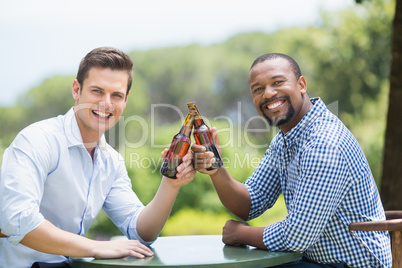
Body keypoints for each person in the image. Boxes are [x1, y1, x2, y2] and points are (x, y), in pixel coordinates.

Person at [0, 47, 195, 268]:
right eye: (97, 91)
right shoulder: (37, 140)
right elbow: (16, 220)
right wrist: (96, 246)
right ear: (76, 89)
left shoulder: (110, 161)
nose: (106, 103)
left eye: (116, 95)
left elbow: (141, 231)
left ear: (126, 100)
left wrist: (170, 184)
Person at [191, 53, 392, 267]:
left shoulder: (323, 143)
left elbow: (297, 236)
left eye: (278, 82)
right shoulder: (286, 140)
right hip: (316, 262)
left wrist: (241, 233)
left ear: (302, 85)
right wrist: (217, 169)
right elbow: (250, 203)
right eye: (258, 89)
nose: (268, 94)